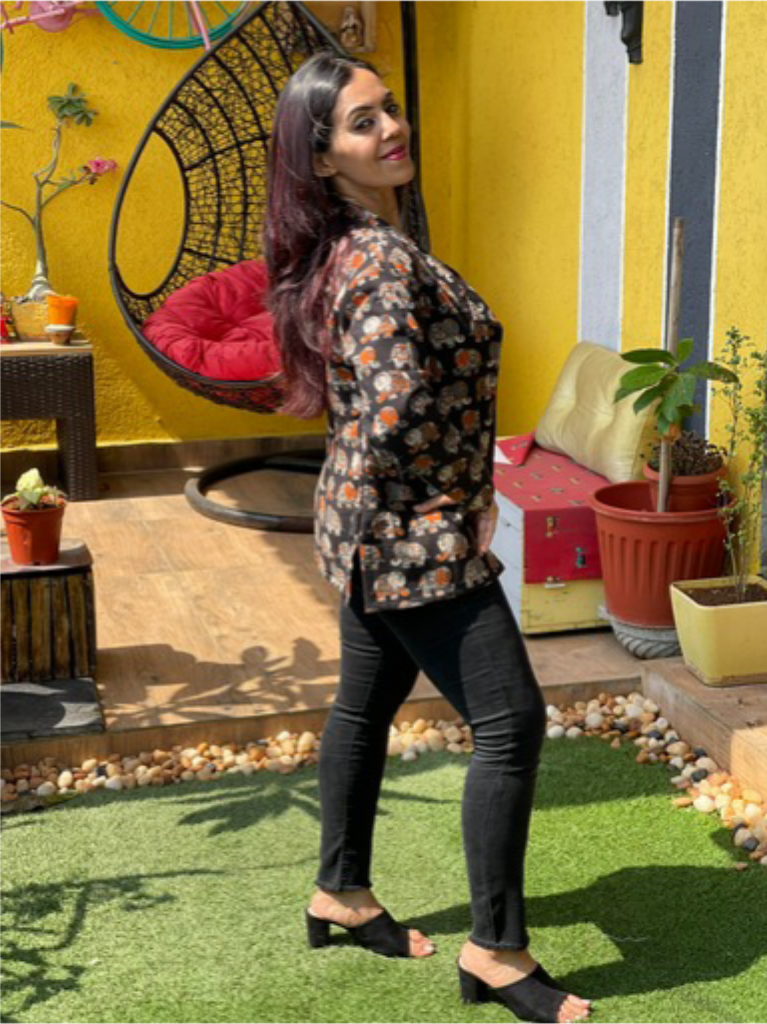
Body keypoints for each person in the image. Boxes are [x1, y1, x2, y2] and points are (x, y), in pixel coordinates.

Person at [265, 51, 593, 1024]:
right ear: (321, 157)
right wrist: (451, 496)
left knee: (364, 705)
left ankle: (340, 890)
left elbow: (382, 400)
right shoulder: (374, 258)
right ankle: (495, 950)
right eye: (362, 122)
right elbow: (396, 400)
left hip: (364, 524)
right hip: (409, 535)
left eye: (390, 108)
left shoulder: (351, 242)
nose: (391, 128)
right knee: (510, 722)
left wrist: (425, 493)